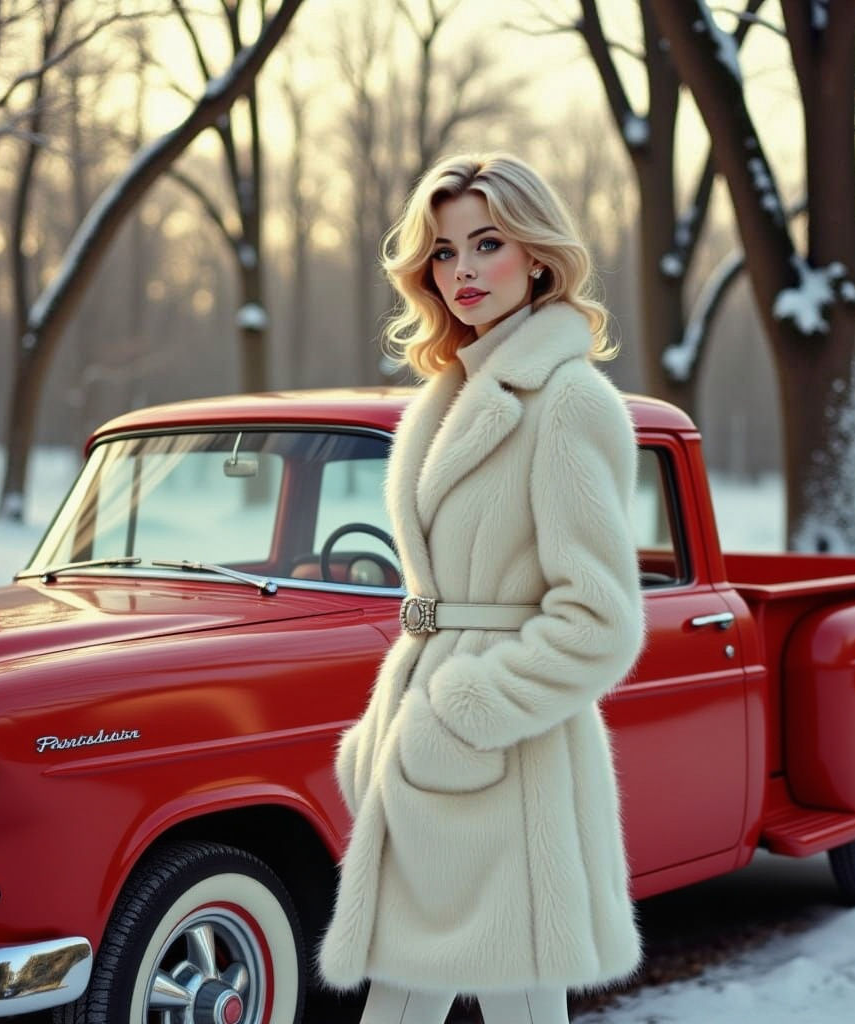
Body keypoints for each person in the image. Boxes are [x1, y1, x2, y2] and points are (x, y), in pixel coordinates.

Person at [318, 153, 646, 1024]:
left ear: (537, 256)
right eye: (444, 250)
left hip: (504, 749)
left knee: (499, 997)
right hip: (433, 734)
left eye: (487, 243)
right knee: (423, 996)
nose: (461, 270)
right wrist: (386, 736)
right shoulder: (451, 394)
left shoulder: (568, 401)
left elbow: (600, 620)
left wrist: (460, 714)